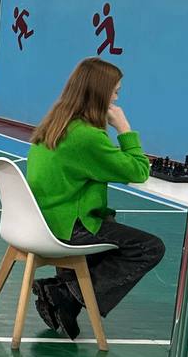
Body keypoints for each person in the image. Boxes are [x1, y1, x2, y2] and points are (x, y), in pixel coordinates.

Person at [26, 57, 163, 339]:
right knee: (149, 247)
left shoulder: (56, 123)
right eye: (115, 92)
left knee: (109, 223)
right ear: (100, 93)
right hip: (67, 228)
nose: (116, 99)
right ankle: (65, 294)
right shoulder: (86, 137)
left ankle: (64, 295)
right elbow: (138, 171)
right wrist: (124, 128)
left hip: (40, 221)